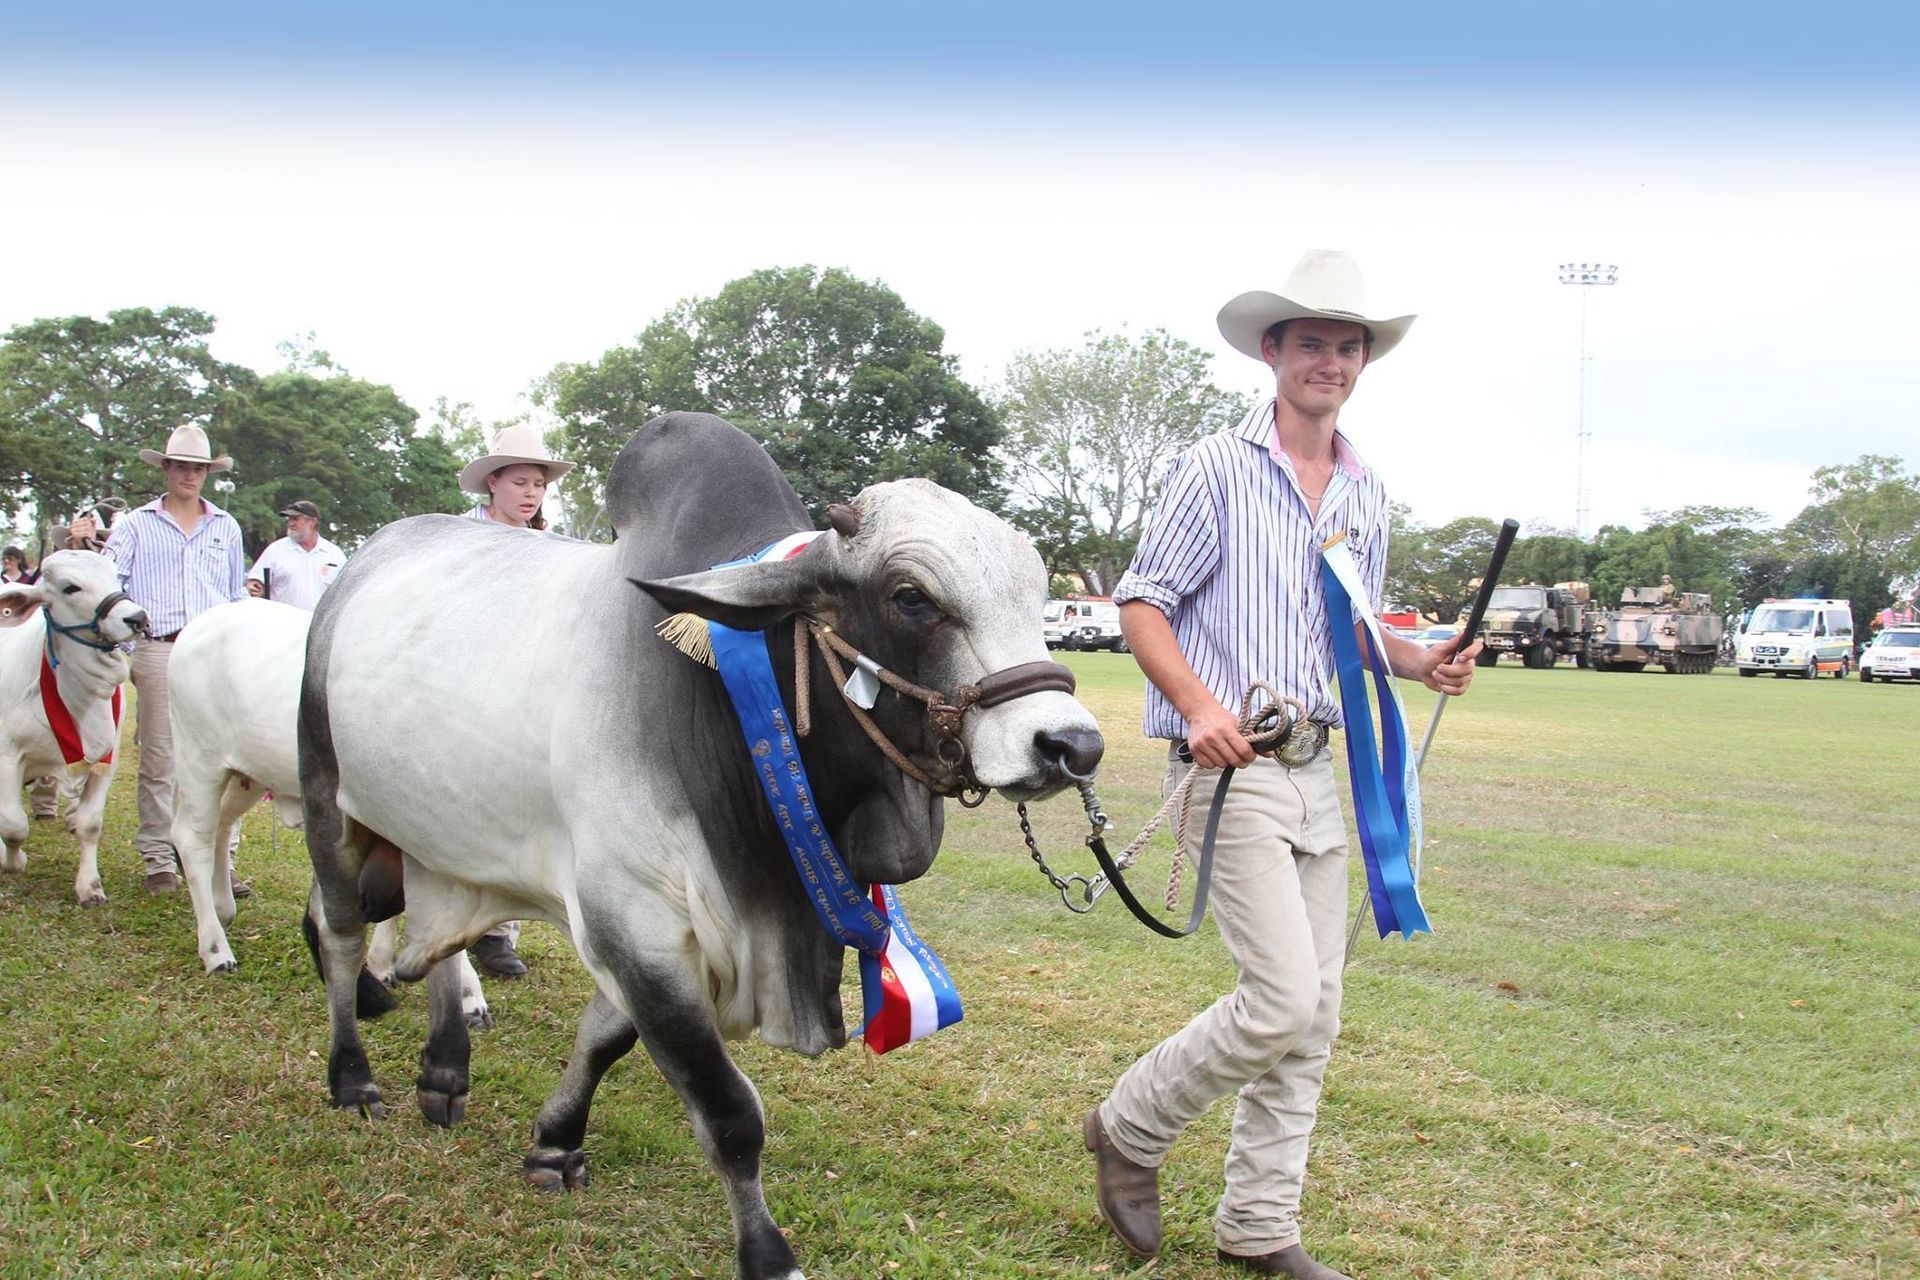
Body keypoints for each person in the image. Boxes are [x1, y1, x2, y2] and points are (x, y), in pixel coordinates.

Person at [1084, 251, 1482, 1279]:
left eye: (1349, 346)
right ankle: (1130, 1121)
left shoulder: (1366, 487)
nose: (1332, 361)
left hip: (1324, 767)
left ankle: (1259, 1225)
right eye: (1313, 342)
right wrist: (1200, 707)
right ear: (1274, 351)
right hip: (1234, 765)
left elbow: (1354, 631)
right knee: (1281, 998)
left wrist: (1419, 655)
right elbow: (1142, 602)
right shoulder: (1216, 467)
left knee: (1319, 1011)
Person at [72, 425, 249, 894]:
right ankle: (158, 858)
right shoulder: (134, 524)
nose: (190, 475)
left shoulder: (224, 527)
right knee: (160, 757)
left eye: (198, 468)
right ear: (166, 469)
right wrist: (133, 645)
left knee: (229, 758)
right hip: (161, 648)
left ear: (206, 473)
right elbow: (108, 582)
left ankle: (220, 860)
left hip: (215, 654)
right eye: (182, 466)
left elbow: (234, 594)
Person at [454, 421, 576, 977]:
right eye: (521, 482)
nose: (531, 493)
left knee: (517, 807)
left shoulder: (550, 549)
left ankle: (499, 932)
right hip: (458, 690)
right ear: (493, 483)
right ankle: (449, 920)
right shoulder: (454, 541)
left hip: (523, 694)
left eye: (539, 485)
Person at [246, 500, 346, 610]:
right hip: (284, 622)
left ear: (312, 521)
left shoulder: (334, 554)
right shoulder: (275, 550)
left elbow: (346, 589)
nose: (291, 523)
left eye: (296, 519)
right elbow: (256, 580)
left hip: (321, 625)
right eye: (289, 519)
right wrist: (255, 586)